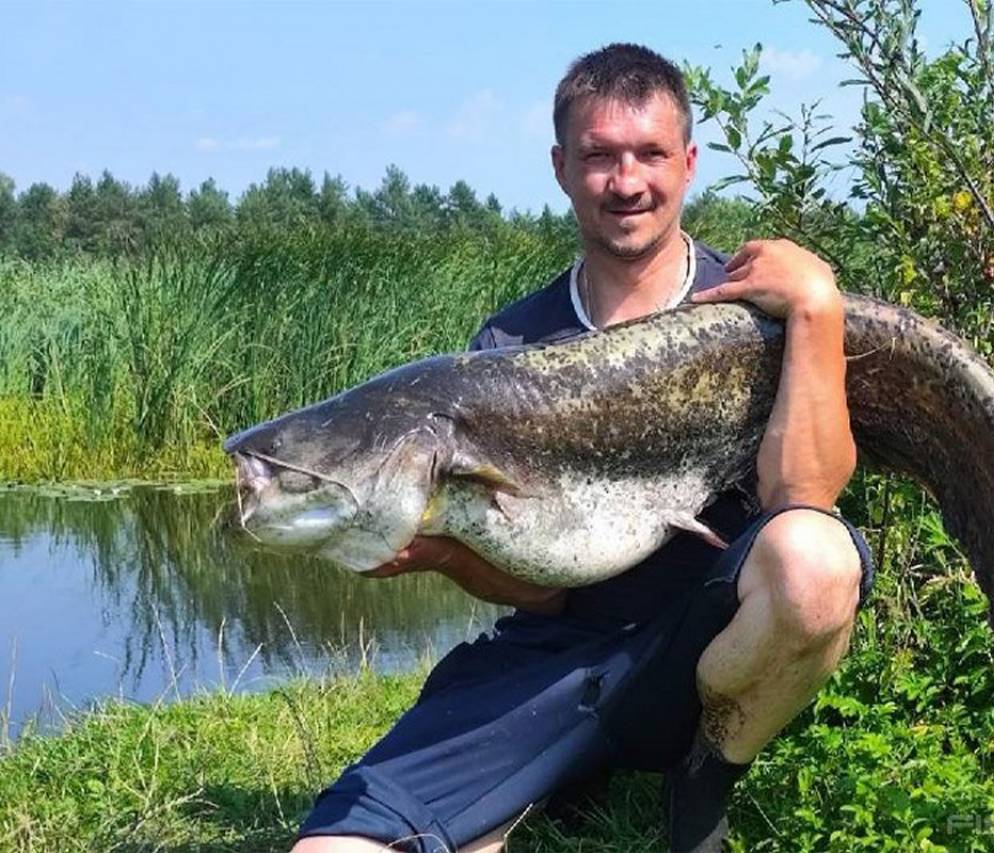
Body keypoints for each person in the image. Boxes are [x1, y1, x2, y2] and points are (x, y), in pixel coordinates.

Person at [293, 43, 873, 853]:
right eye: (599, 156)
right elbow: (543, 594)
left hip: (700, 648)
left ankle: (706, 776)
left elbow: (801, 499)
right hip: (553, 658)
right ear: (563, 167)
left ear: (690, 162)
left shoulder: (753, 312)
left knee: (818, 560)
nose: (626, 181)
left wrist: (816, 308)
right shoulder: (504, 347)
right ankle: (555, 770)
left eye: (650, 155)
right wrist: (445, 555)